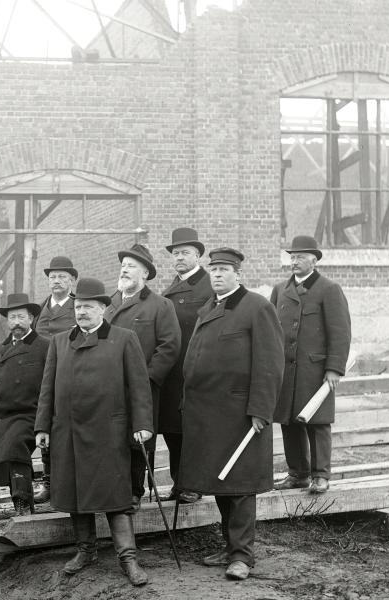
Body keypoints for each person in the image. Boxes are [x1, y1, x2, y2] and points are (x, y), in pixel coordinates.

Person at [35, 277, 154, 587]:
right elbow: (47, 388)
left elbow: (139, 386)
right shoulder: (60, 342)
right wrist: (42, 427)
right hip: (68, 433)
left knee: (115, 496)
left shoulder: (124, 338)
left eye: (88, 307)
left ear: (103, 308)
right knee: (75, 493)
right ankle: (85, 550)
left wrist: (142, 424)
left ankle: (128, 557)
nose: (82, 312)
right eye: (78, 307)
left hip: (108, 432)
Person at [178, 248, 284, 581]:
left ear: (238, 274)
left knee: (240, 487)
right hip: (208, 415)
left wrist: (260, 411)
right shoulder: (209, 307)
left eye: (225, 270)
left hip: (240, 415)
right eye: (214, 270)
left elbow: (270, 364)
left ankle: (242, 556)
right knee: (220, 483)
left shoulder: (256, 307)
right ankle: (229, 547)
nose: (218, 275)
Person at [271, 235, 352, 494]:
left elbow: (340, 333)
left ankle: (320, 475)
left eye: (300, 257)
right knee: (289, 421)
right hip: (286, 370)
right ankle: (298, 473)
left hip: (314, 371)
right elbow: (271, 332)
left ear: (314, 260)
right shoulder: (280, 290)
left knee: (317, 423)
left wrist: (334, 369)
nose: (294, 262)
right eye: (292, 257)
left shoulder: (329, 289)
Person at [104, 244, 180, 512]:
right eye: (123, 265)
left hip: (142, 388)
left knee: (138, 439)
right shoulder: (108, 305)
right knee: (111, 438)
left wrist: (145, 380)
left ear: (145, 273)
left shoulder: (160, 305)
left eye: (131, 265)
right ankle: (113, 490)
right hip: (107, 388)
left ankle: (135, 492)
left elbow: (169, 347)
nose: (124, 269)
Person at [0, 293, 50, 515]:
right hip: (1, 416)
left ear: (31, 318)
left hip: (32, 414)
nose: (16, 322)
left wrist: (45, 420)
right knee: (9, 458)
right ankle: (20, 504)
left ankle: (22, 505)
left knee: (15, 447)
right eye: (12, 318)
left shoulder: (44, 346)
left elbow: (51, 385)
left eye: (21, 317)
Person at [161, 227, 213, 503]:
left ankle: (194, 485)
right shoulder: (170, 288)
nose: (179, 258)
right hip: (173, 371)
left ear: (198, 256)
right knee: (173, 431)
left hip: (198, 370)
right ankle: (179, 483)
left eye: (185, 253)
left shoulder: (209, 285)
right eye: (175, 253)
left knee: (195, 431)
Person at [32, 256, 78, 504]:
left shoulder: (77, 307)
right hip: (42, 380)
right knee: (44, 430)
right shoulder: (40, 310)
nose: (57, 281)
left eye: (62, 277)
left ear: (72, 280)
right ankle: (48, 483)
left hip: (67, 378)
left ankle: (66, 485)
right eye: (52, 277)